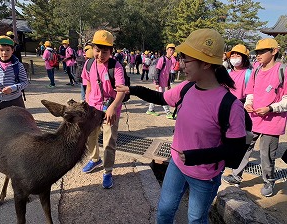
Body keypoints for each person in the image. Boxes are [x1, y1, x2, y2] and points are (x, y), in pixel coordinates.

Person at [116, 28, 246, 223]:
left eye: (186, 59)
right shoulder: (187, 88)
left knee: (195, 219)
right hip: (177, 164)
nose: (180, 64)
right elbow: (160, 97)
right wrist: (132, 89)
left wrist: (196, 156)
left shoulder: (230, 105)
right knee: (164, 211)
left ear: (205, 63)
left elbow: (235, 151)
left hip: (205, 175)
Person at [222, 38, 287, 197]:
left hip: (272, 120)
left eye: (262, 52)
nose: (258, 55)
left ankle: (268, 180)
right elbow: (251, 91)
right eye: (256, 52)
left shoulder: (283, 70)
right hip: (253, 117)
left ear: (274, 51)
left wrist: (271, 108)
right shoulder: (257, 69)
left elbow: (286, 97)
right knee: (245, 146)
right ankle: (236, 175)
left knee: (267, 153)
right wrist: (248, 103)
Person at [81, 30, 126, 189]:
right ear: (92, 48)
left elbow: (121, 90)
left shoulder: (116, 66)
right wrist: (86, 103)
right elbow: (88, 86)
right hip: (93, 108)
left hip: (110, 109)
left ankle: (107, 171)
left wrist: (113, 107)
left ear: (111, 51)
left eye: (105, 51)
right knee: (90, 137)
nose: (100, 55)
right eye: (97, 50)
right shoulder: (89, 64)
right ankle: (94, 159)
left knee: (108, 142)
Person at [0, 35, 28, 115]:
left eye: (8, 50)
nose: (4, 53)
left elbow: (25, 82)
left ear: (12, 50)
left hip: (15, 100)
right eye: (1, 50)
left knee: (18, 123)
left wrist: (12, 88)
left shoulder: (18, 65)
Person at [146, 44, 175, 119]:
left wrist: (168, 84)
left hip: (164, 82)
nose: (172, 52)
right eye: (170, 50)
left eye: (173, 50)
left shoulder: (170, 60)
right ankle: (168, 113)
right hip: (159, 82)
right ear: (166, 50)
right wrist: (157, 82)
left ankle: (150, 110)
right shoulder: (162, 59)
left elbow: (167, 73)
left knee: (156, 96)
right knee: (162, 97)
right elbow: (157, 71)